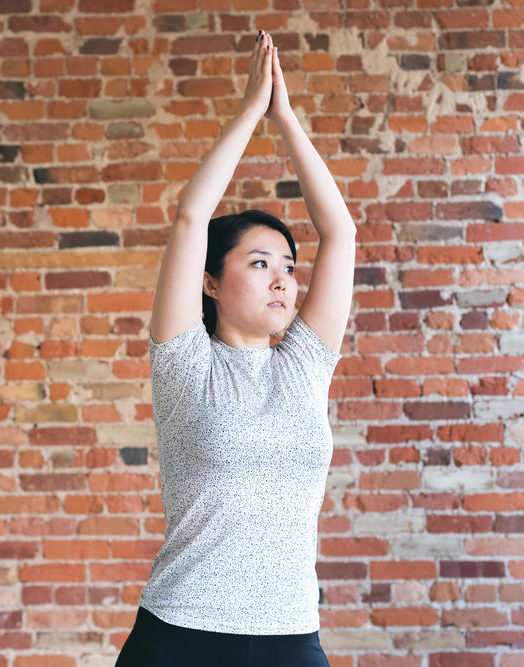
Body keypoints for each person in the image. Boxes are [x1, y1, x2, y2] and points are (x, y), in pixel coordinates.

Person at [114, 30, 356, 667]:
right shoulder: (184, 362)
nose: (282, 279)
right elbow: (192, 217)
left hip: (289, 636)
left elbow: (341, 233)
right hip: (180, 635)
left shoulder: (305, 365)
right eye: (258, 262)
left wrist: (287, 117)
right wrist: (251, 110)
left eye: (288, 266)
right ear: (211, 281)